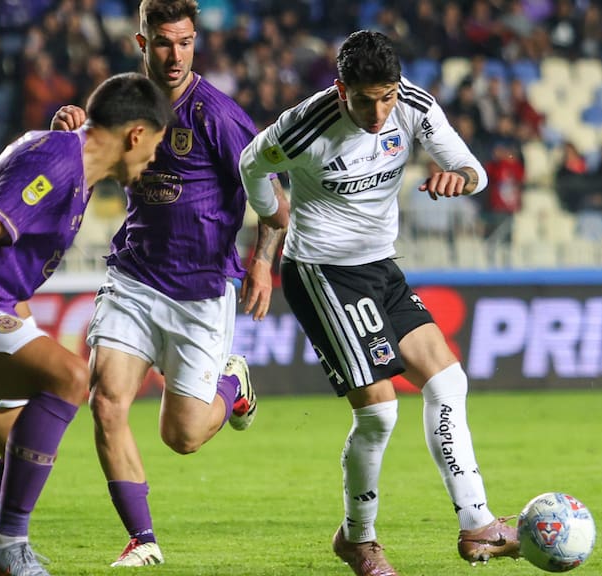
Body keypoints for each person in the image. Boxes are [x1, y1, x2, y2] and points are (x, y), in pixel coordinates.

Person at [239, 30, 519, 576]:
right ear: (341, 89)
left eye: (386, 96)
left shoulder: (411, 104)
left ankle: (478, 524)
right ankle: (359, 539)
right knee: (380, 413)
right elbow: (252, 162)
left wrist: (459, 179)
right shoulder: (307, 126)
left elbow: (476, 170)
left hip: (382, 266)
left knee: (448, 381)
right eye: (365, 99)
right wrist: (273, 219)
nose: (378, 111)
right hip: (322, 273)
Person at [0, 71, 173, 576]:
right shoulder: (59, 160)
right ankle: (8, 544)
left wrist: (60, 136)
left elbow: (26, 176)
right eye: (154, 146)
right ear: (136, 134)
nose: (153, 160)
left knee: (19, 461)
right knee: (70, 375)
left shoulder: (69, 163)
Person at [50, 0, 289, 567]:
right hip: (134, 277)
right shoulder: (123, 102)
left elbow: (275, 204)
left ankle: (232, 383)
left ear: (195, 41)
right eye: (162, 42)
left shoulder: (219, 116)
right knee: (106, 400)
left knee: (180, 437)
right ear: (141, 43)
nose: (174, 54)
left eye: (184, 42)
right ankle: (142, 540)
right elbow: (86, 167)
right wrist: (65, 135)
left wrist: (261, 262)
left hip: (202, 292)